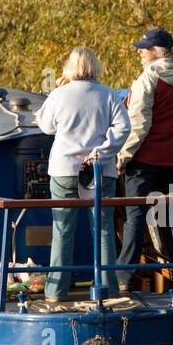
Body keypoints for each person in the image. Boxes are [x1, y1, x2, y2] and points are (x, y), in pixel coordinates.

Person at [35, 46, 129, 303]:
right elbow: (123, 128)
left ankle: (55, 293)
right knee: (104, 229)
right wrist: (100, 152)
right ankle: (108, 291)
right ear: (95, 67)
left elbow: (44, 125)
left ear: (69, 68)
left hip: (64, 170)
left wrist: (55, 90)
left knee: (62, 230)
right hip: (100, 171)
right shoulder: (109, 95)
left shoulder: (59, 95)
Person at [115, 28, 173, 291]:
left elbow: (139, 125)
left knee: (136, 216)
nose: (139, 51)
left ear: (157, 52)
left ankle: (123, 278)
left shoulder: (148, 78)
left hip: (144, 161)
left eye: (143, 47)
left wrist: (123, 157)